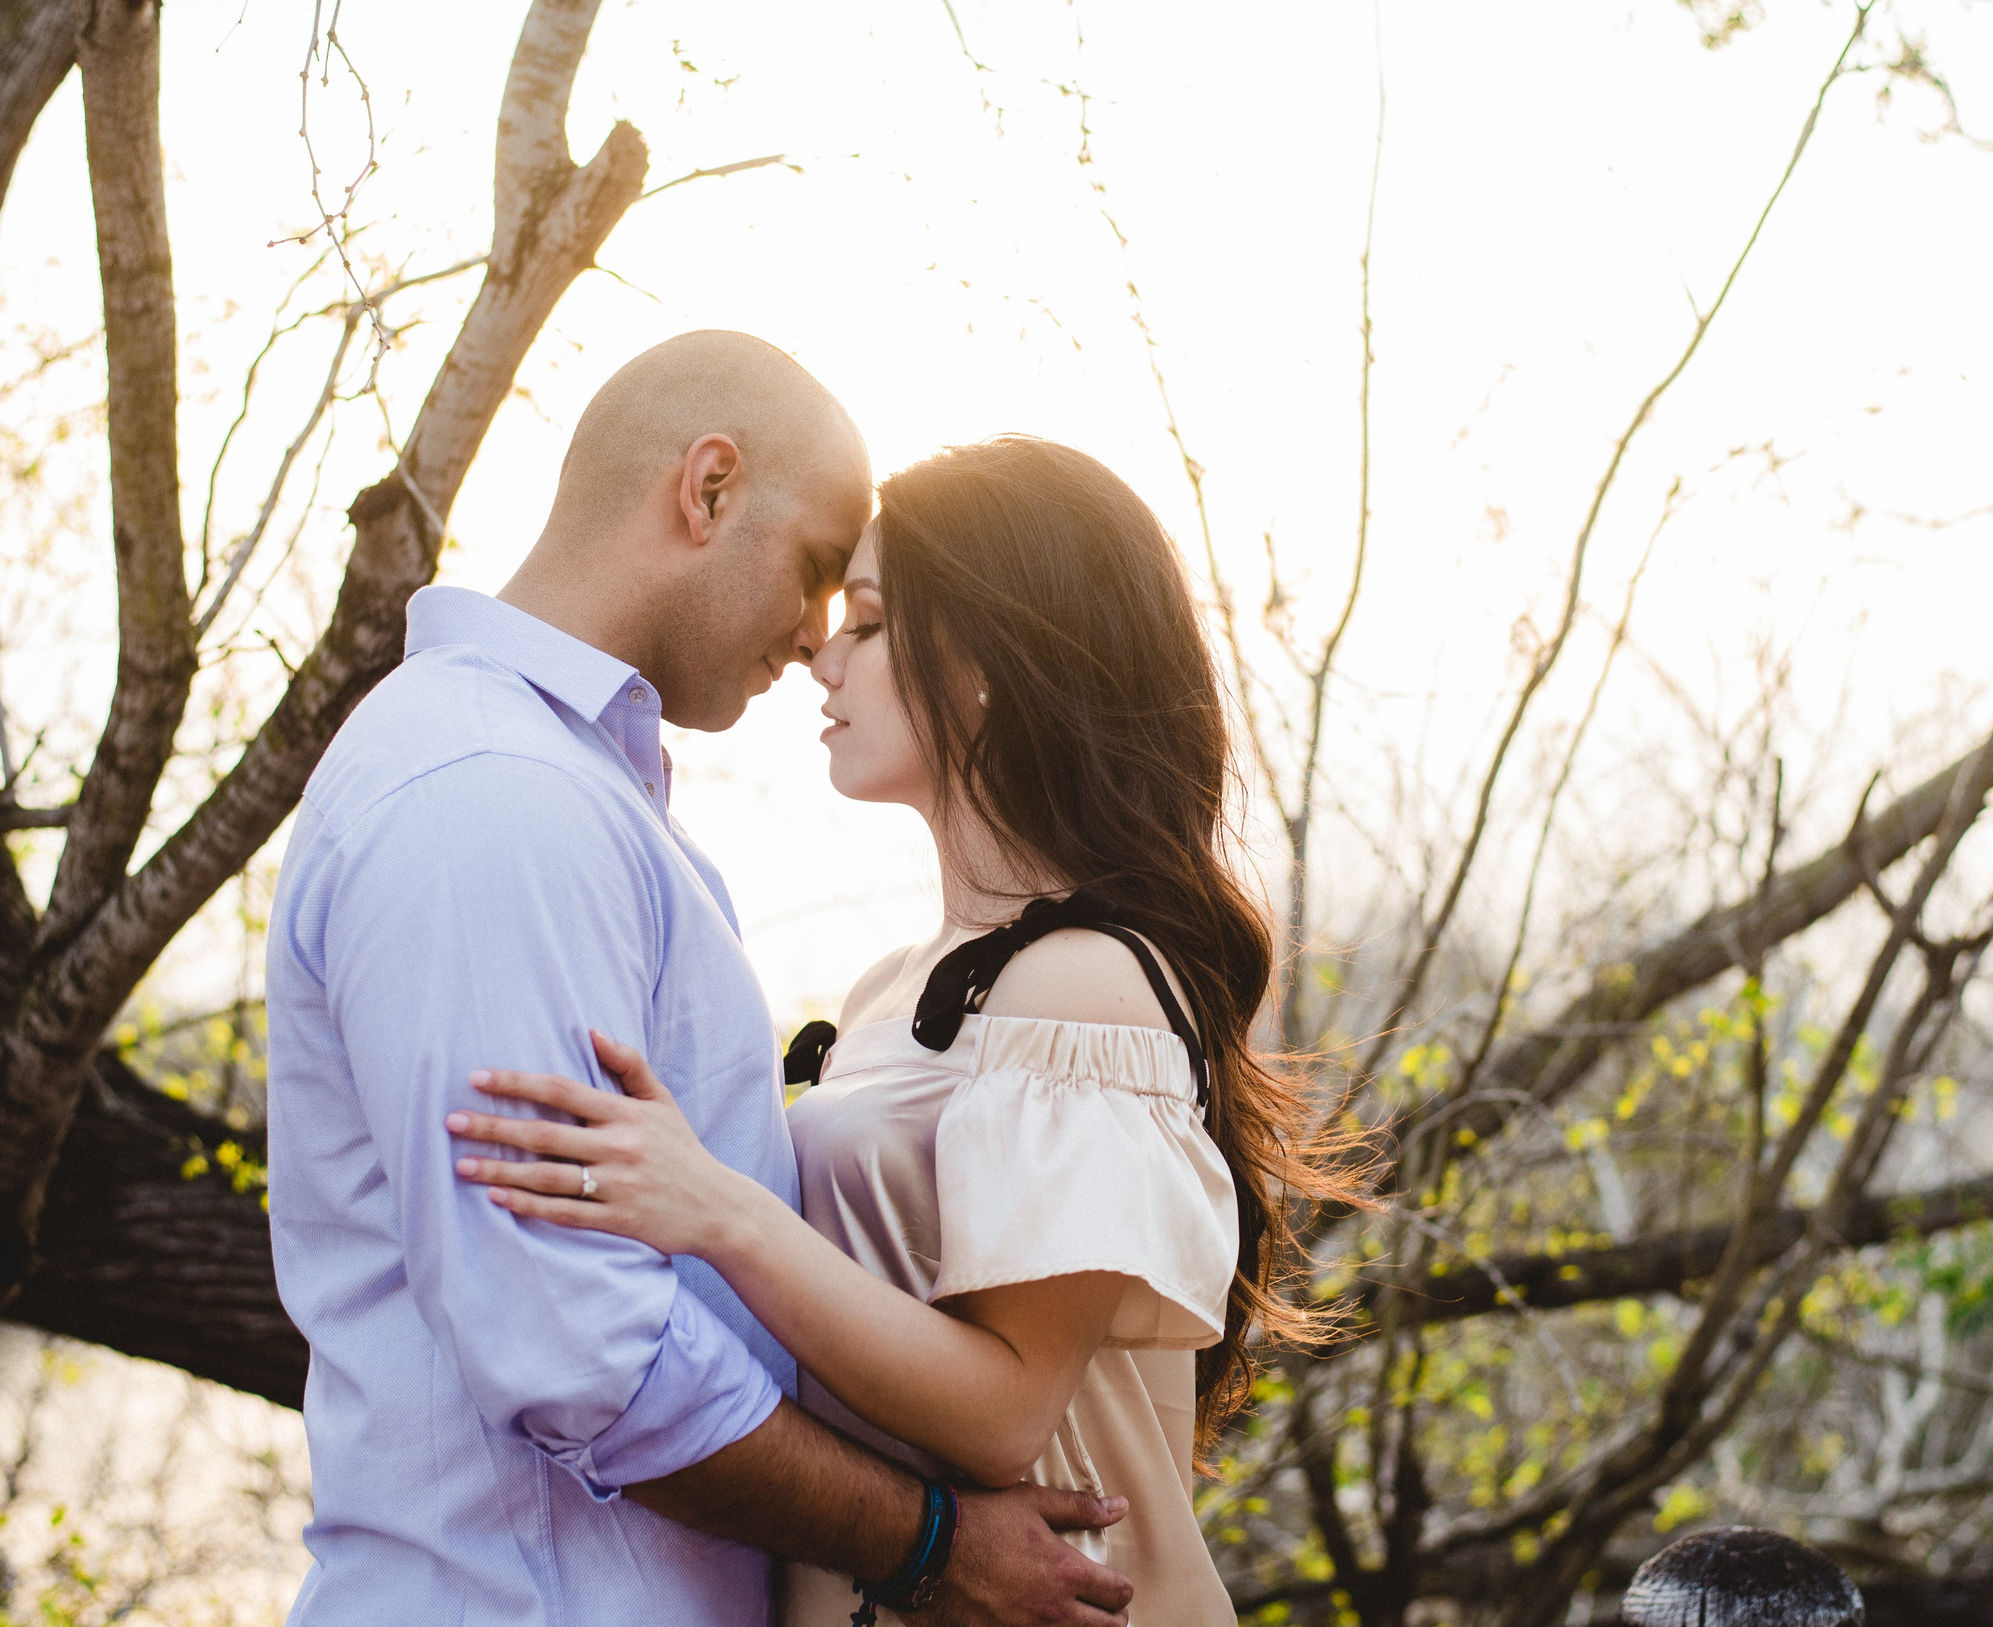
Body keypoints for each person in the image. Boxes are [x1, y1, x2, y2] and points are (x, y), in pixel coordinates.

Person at [266, 337, 1137, 1627]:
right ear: (709, 489)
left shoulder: (583, 799)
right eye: (816, 570)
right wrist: (931, 1544)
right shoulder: (490, 797)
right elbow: (578, 1345)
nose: (816, 635)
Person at [446, 436, 1351, 1626]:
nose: (820, 650)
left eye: (867, 622)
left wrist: (717, 1207)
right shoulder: (888, 992)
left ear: (991, 660)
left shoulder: (1085, 982)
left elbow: (1007, 1410)